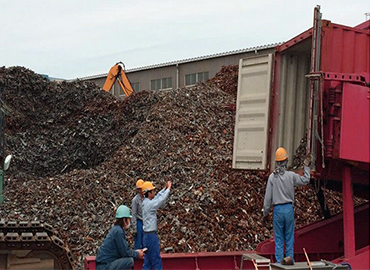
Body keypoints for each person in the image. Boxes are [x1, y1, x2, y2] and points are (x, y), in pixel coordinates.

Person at [262, 147, 310, 265]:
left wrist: (265, 213)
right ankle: (289, 260)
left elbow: (268, 199)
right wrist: (307, 166)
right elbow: (305, 180)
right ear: (286, 161)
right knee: (289, 237)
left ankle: (279, 263)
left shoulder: (273, 177)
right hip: (288, 209)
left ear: (277, 162)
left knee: (278, 239)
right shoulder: (291, 176)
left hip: (277, 210)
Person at [95, 205, 145, 270]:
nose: (129, 221)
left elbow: (123, 250)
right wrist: (137, 254)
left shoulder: (116, 229)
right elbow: (125, 252)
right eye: (128, 219)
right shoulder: (118, 232)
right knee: (129, 261)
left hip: (103, 264)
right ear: (124, 220)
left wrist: (135, 252)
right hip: (105, 266)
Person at [141, 180, 171, 270]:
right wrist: (168, 189)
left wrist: (164, 189)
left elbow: (157, 197)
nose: (154, 192)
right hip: (151, 236)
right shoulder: (150, 204)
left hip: (146, 236)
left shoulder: (146, 202)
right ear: (149, 193)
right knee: (156, 260)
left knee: (148, 261)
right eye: (153, 191)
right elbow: (160, 200)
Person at [131, 179, 144, 249]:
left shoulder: (147, 198)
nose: (140, 191)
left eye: (141, 189)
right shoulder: (135, 200)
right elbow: (134, 214)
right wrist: (134, 228)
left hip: (146, 221)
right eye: (138, 189)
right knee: (138, 241)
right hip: (139, 221)